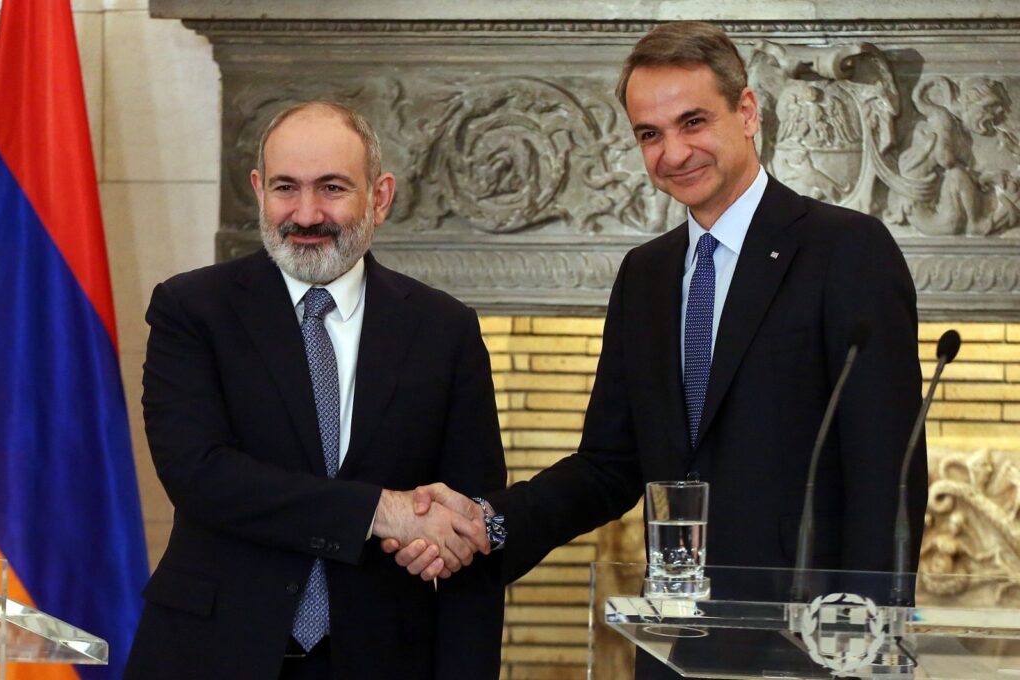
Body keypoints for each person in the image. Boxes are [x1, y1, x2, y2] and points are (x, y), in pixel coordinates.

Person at [390, 16, 928, 631]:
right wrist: (490, 524)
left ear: (747, 111)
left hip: (810, 631)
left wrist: (869, 630)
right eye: (650, 134)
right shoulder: (645, 275)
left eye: (693, 122)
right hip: (675, 630)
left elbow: (887, 469)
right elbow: (609, 464)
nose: (673, 153)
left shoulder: (846, 250)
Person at [124, 101, 506, 680]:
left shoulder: (443, 329)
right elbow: (199, 474)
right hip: (209, 654)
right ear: (258, 190)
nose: (305, 214)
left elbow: (467, 527)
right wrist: (381, 512)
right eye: (285, 188)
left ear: (379, 197)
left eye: (331, 187)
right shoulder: (192, 309)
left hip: (384, 662)